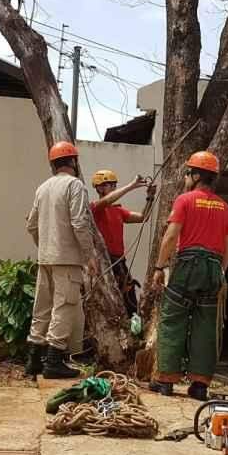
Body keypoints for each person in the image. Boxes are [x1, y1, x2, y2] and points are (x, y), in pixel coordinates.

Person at [150, 151, 228, 401]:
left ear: (196, 175)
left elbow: (171, 235)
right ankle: (199, 385)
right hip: (213, 268)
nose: (186, 177)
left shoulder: (185, 200)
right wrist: (220, 273)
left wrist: (159, 266)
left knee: (172, 318)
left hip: (188, 265)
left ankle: (166, 381)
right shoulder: (225, 207)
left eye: (188, 173)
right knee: (206, 326)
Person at [25, 141, 96, 379]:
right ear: (73, 161)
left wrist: (44, 246)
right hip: (67, 259)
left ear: (53, 163)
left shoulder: (42, 187)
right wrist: (89, 255)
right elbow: (80, 223)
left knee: (41, 308)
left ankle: (33, 360)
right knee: (64, 308)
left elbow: (31, 224)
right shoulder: (75, 185)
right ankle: (53, 362)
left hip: (45, 258)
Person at [90, 170, 157, 316]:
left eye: (115, 185)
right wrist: (131, 186)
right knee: (109, 301)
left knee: (129, 298)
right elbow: (107, 200)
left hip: (119, 262)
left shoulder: (118, 211)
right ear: (99, 188)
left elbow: (142, 217)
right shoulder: (95, 208)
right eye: (110, 185)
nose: (114, 188)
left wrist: (150, 197)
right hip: (104, 262)